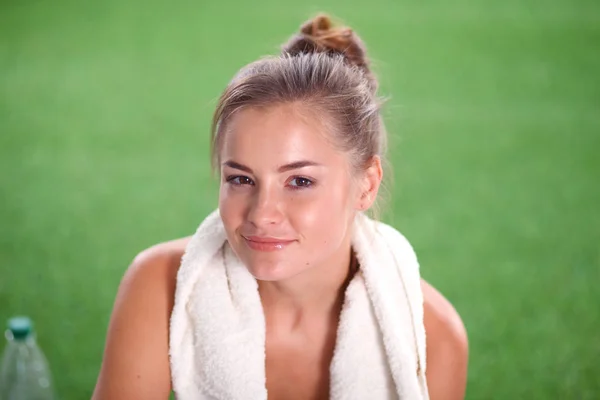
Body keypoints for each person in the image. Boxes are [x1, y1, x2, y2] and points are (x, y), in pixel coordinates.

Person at [92, 14, 468, 400]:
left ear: (366, 184)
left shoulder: (431, 335)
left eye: (300, 182)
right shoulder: (160, 287)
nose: (261, 214)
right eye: (241, 179)